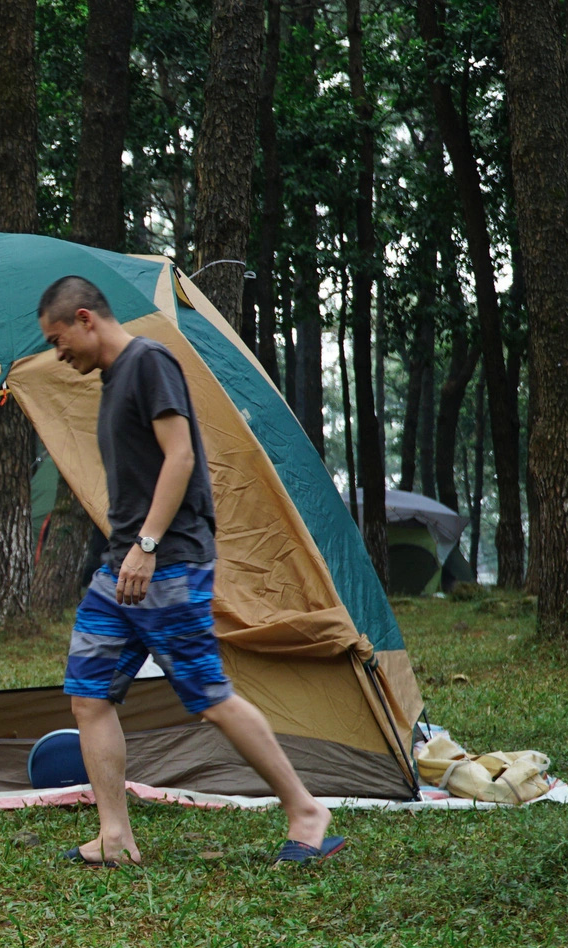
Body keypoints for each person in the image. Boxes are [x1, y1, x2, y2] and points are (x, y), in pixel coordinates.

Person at [36, 277, 342, 867]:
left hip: (167, 561)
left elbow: (181, 455)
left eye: (58, 339)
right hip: (123, 566)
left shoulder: (149, 361)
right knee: (89, 694)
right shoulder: (113, 378)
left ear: (84, 317)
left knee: (208, 695)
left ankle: (306, 810)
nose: (58, 353)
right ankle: (115, 837)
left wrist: (148, 545)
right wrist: (132, 548)